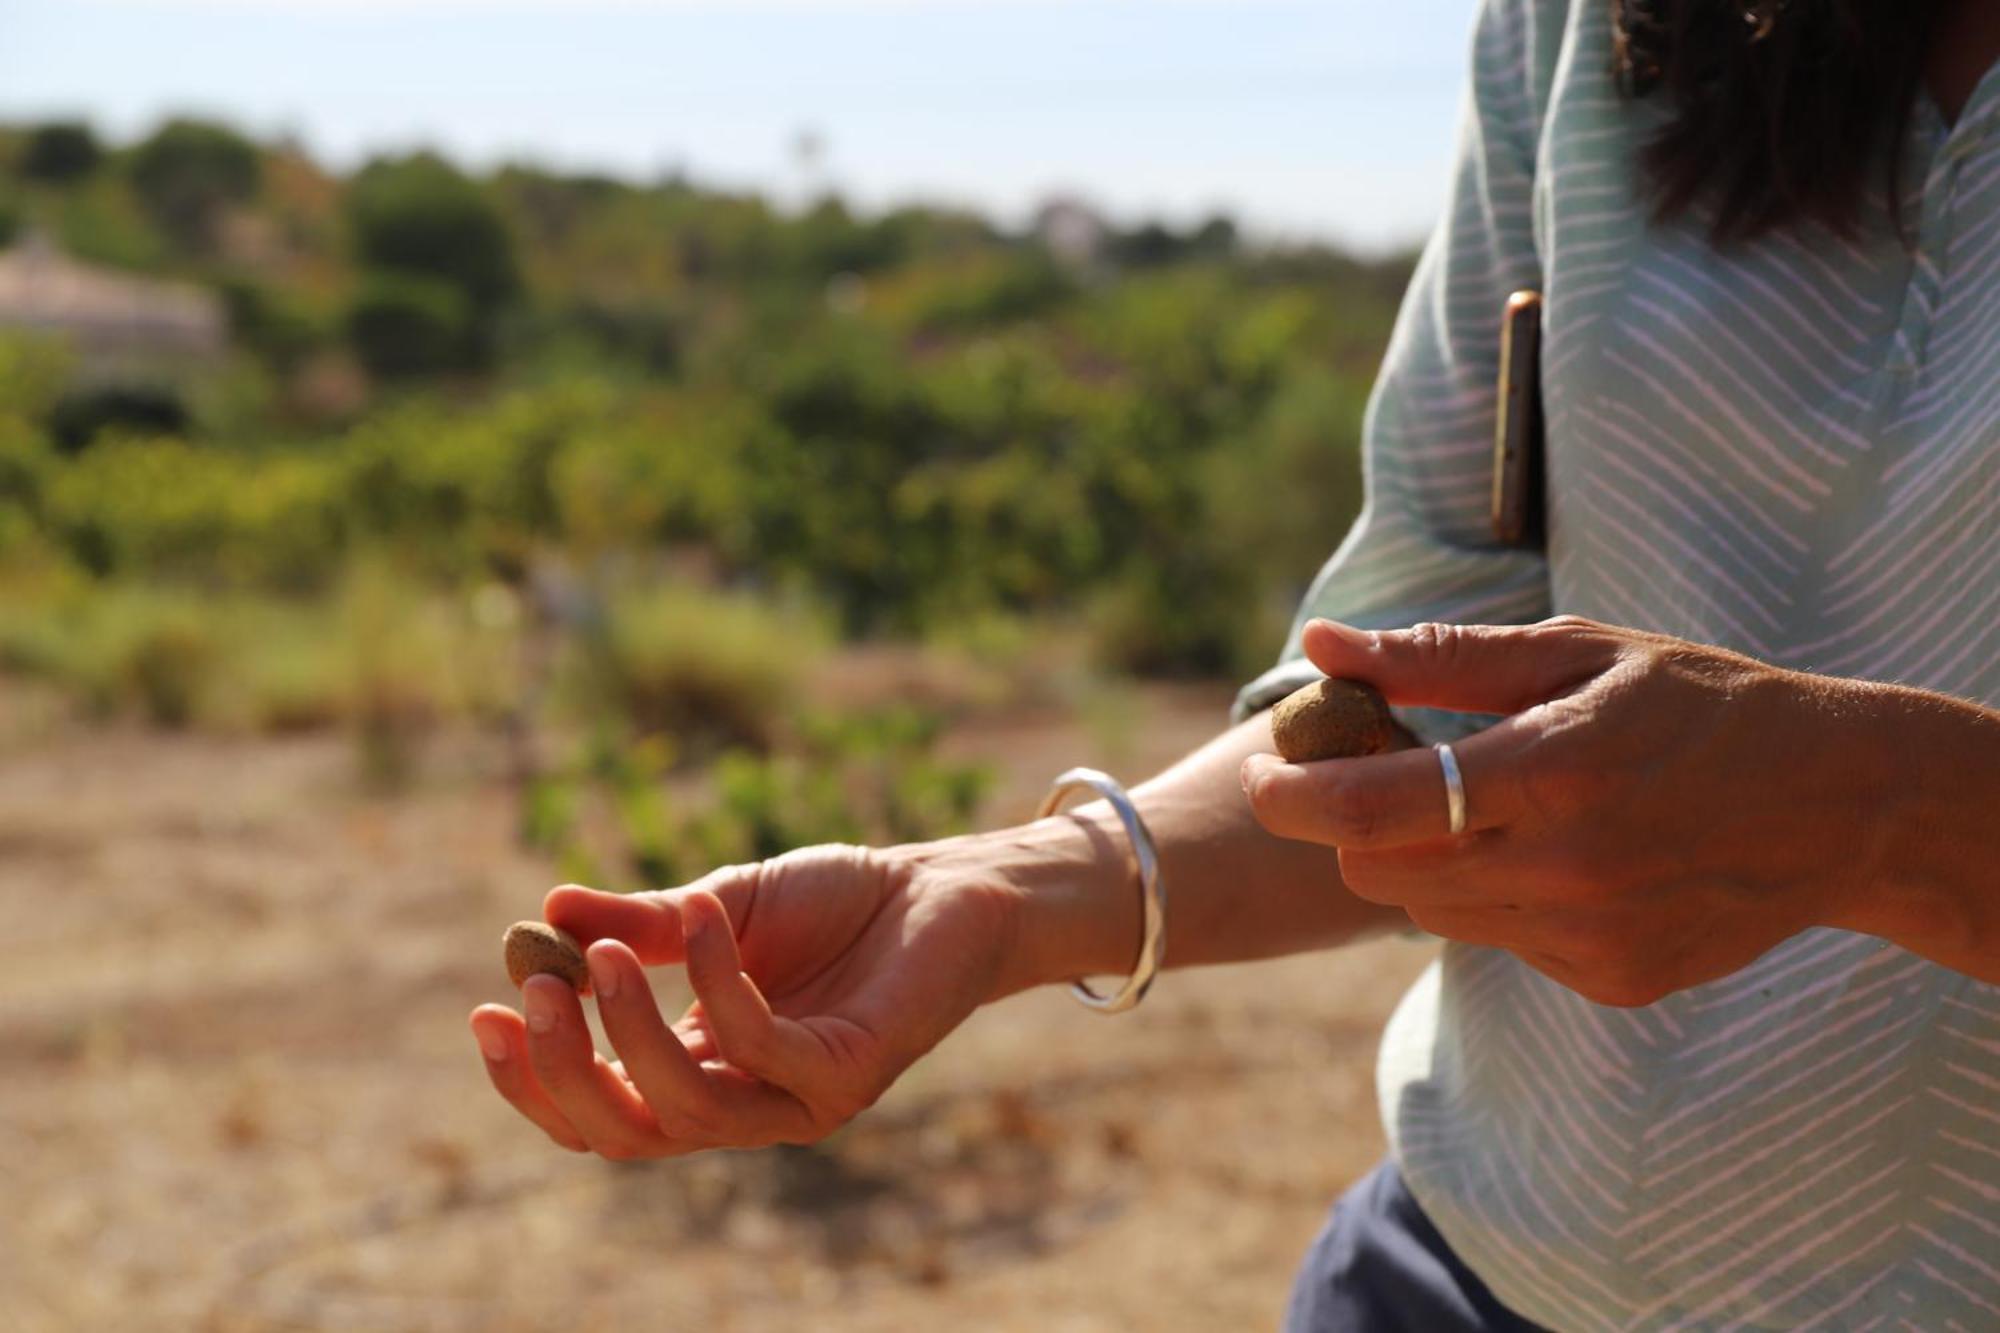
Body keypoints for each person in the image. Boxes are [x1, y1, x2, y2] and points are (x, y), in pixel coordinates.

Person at [470, 0, 2000, 1325]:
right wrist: (1011, 893)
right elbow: (1408, 718)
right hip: (1457, 1280)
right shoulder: (1586, 29)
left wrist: (1889, 814)